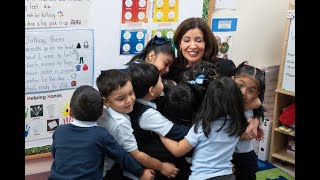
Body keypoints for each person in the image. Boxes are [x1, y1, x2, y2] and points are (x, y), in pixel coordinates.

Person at [48, 85, 155, 180]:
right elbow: (122, 156)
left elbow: (55, 154)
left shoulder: (59, 131)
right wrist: (141, 173)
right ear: (101, 113)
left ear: (70, 113)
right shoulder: (101, 134)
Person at [159, 77, 248, 180]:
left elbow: (178, 150)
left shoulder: (203, 126)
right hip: (228, 175)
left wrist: (161, 134)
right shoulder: (237, 124)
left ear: (208, 101)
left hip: (202, 177)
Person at [96, 70, 178, 180]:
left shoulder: (102, 110)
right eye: (121, 98)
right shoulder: (120, 123)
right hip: (102, 172)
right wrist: (162, 167)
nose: (129, 100)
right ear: (105, 101)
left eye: (131, 93)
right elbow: (136, 155)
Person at [127, 63, 191, 179]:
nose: (163, 82)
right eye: (160, 80)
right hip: (146, 162)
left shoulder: (137, 102)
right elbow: (176, 131)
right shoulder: (148, 115)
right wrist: (201, 129)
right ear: (151, 90)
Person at [163, 17, 236, 83]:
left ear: (206, 43)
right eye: (187, 40)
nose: (193, 46)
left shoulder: (225, 68)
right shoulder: (170, 69)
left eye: (198, 41)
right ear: (180, 44)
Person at [232, 61, 266, 180]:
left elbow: (258, 106)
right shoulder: (225, 104)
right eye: (240, 85)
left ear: (257, 93)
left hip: (245, 154)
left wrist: (257, 126)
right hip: (226, 154)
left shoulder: (252, 105)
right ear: (232, 80)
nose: (243, 93)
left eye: (251, 91)